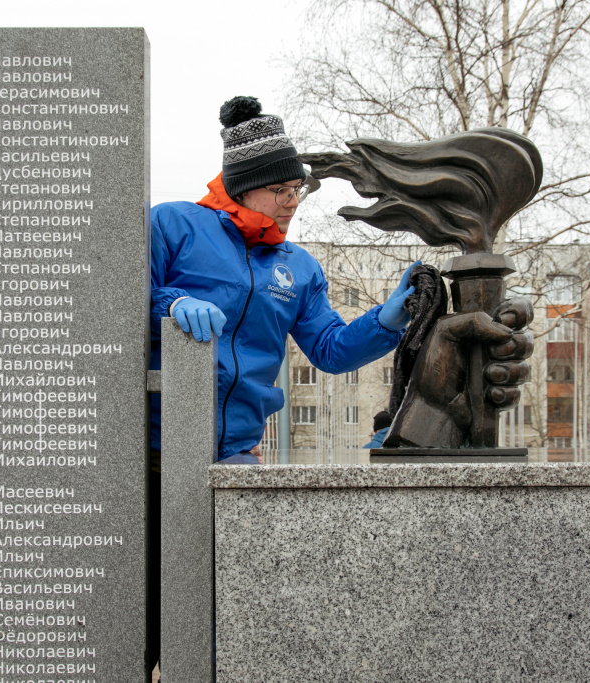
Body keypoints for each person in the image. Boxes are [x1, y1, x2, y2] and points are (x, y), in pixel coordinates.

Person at [146, 96, 416, 675]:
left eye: (299, 190)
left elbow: (331, 350)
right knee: (143, 613)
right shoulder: (171, 225)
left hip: (233, 460)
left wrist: (388, 320)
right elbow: (119, 296)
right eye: (282, 190)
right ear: (244, 186)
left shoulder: (298, 267)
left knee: (220, 620)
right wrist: (172, 303)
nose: (294, 202)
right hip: (155, 453)